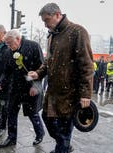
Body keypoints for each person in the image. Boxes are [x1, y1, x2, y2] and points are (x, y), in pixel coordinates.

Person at [28, 3, 93, 153]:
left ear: (57, 15)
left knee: (64, 130)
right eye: (43, 21)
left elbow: (87, 65)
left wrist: (85, 94)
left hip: (70, 94)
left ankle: (62, 147)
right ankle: (63, 144)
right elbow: (48, 62)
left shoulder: (77, 31)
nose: (45, 25)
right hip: (53, 92)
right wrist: (38, 73)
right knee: (46, 118)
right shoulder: (52, 35)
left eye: (47, 20)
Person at [0, 29, 45, 148]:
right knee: (11, 112)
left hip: (30, 88)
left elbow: (42, 68)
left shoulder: (33, 46)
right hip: (15, 87)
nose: (8, 46)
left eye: (10, 43)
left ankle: (40, 133)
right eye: (6, 44)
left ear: (18, 39)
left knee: (32, 113)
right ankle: (11, 138)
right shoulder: (9, 51)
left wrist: (36, 87)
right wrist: (0, 83)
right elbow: (6, 71)